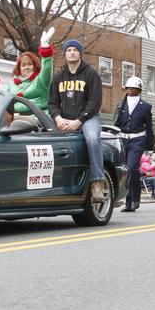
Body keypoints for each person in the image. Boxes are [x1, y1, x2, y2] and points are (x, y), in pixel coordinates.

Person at [49, 39, 105, 201]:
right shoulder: (59, 76)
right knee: (43, 135)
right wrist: (58, 118)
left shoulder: (91, 74)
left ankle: (97, 182)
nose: (72, 52)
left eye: (75, 50)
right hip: (64, 119)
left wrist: (78, 121)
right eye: (68, 50)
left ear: (80, 53)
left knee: (93, 139)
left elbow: (94, 103)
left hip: (88, 118)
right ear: (65, 54)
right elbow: (52, 103)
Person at [114, 76, 155, 212]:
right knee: (125, 171)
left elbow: (149, 128)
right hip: (123, 139)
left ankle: (136, 198)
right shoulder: (121, 105)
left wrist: (149, 148)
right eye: (128, 88)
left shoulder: (146, 107)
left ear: (139, 90)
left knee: (132, 168)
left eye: (133, 88)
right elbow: (116, 123)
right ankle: (128, 202)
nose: (130, 90)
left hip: (137, 140)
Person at [8, 27, 55, 115]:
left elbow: (47, 68)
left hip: (38, 118)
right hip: (15, 118)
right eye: (23, 65)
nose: (26, 67)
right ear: (19, 68)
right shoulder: (11, 84)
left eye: (29, 64)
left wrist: (45, 47)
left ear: (35, 66)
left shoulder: (41, 80)